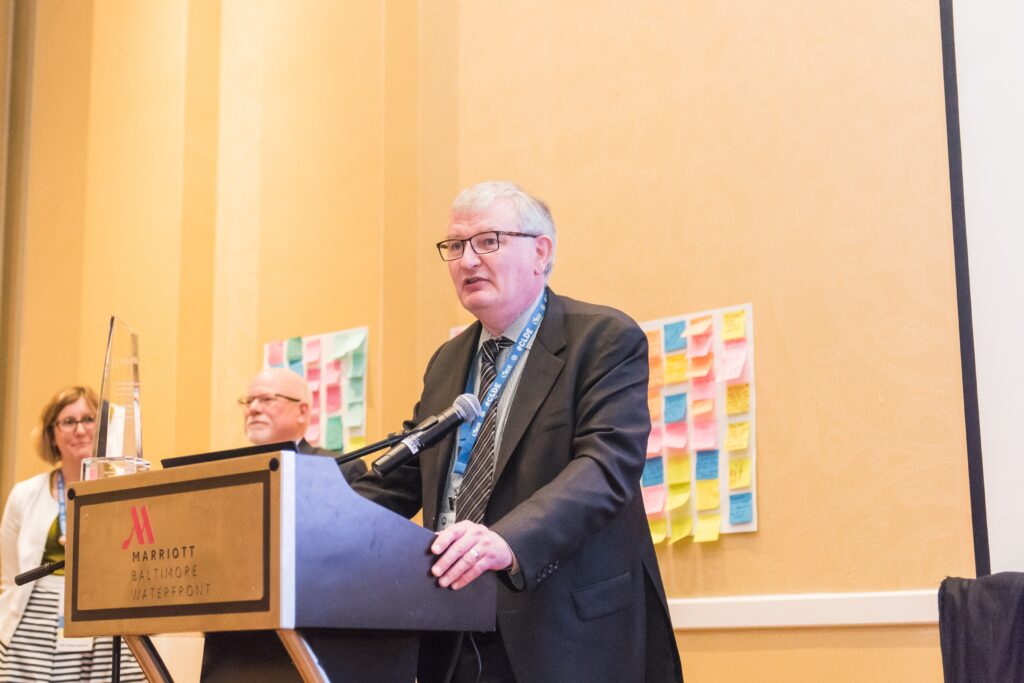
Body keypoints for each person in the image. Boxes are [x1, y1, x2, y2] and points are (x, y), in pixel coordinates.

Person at [352, 181, 683, 682]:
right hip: (453, 631)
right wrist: (306, 507)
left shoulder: (601, 338)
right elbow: (406, 471)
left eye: (488, 241)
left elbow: (605, 466)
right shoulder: (448, 362)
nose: (467, 261)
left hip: (566, 633)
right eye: (456, 247)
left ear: (540, 252)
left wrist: (505, 540)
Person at [0, 385, 145, 681]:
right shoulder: (24, 494)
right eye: (68, 421)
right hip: (32, 630)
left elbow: (140, 562)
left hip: (101, 621)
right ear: (52, 433)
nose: (80, 429)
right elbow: (11, 572)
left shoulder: (126, 490)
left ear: (103, 428)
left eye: (89, 419)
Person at [241, 367, 367, 482]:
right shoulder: (233, 470)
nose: (253, 409)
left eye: (267, 399)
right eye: (249, 401)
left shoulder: (340, 469)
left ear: (302, 411)